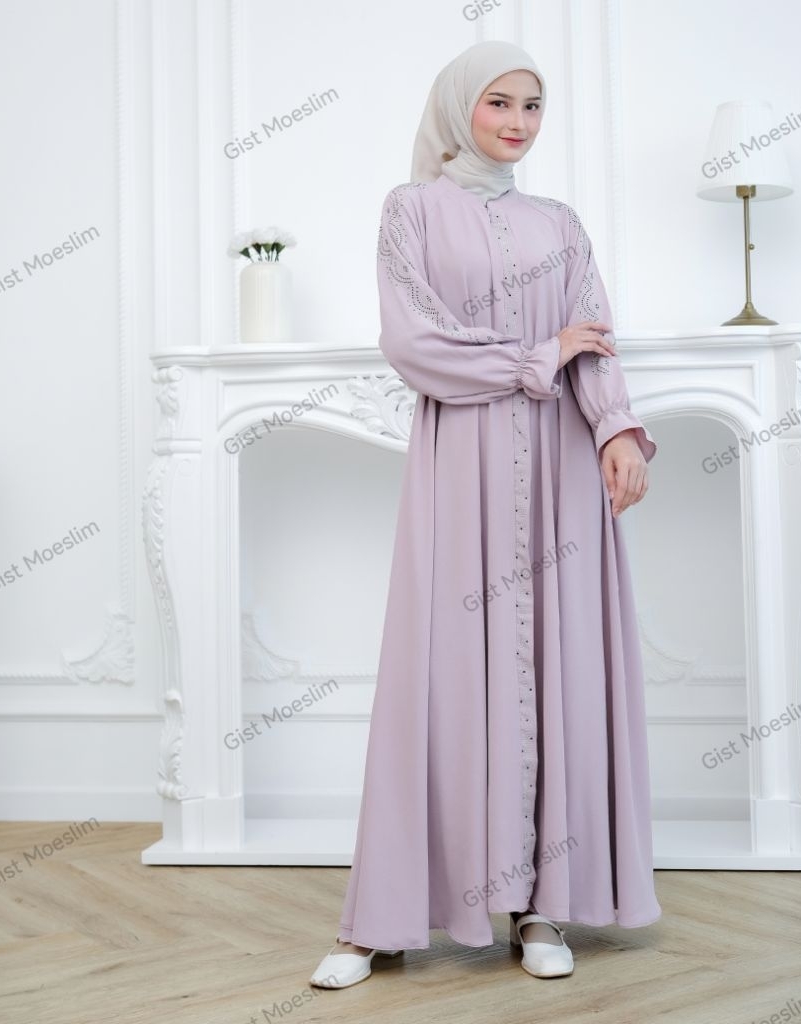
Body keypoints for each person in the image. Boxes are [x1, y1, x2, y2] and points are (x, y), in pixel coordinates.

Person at [311, 40, 660, 989]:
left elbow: (594, 338)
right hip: (460, 463)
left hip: (562, 465)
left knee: (558, 669)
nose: (517, 122)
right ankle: (382, 919)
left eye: (533, 106)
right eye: (498, 102)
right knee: (442, 674)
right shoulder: (412, 210)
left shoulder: (561, 223)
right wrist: (535, 356)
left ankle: (543, 908)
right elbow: (414, 341)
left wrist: (617, 429)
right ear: (459, 106)